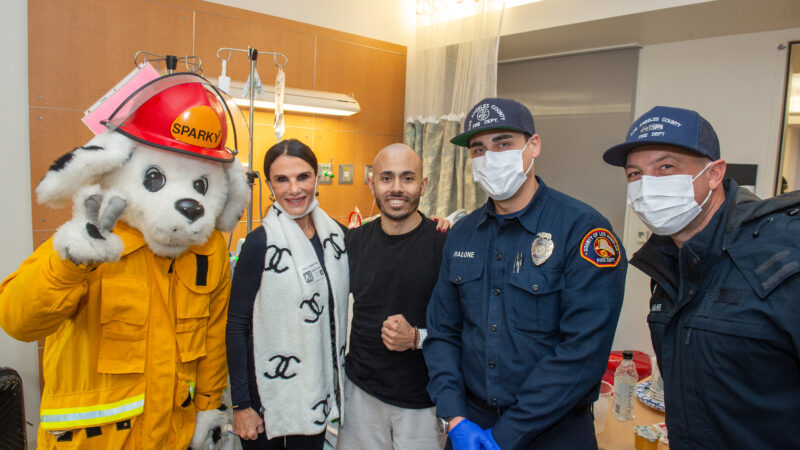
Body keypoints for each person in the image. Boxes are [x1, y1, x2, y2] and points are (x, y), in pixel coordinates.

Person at [424, 98, 627, 450]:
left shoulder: (582, 230)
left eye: (503, 144)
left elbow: (581, 353)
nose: (490, 157)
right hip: (470, 425)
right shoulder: (462, 234)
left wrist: (506, 435)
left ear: (533, 146)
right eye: (478, 149)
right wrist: (454, 417)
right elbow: (443, 332)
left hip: (554, 430)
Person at [602, 105, 800, 448]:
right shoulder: (669, 264)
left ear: (714, 174)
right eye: (635, 174)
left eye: (666, 167)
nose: (647, 185)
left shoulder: (784, 251)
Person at [226, 139, 349, 449]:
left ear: (316, 177)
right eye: (282, 179)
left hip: (316, 394)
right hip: (267, 403)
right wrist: (242, 405)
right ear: (269, 185)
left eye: (302, 177)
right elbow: (236, 327)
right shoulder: (259, 244)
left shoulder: (337, 238)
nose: (294, 189)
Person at [336, 144, 447, 449]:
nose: (396, 188)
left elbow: (466, 326)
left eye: (407, 178)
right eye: (386, 178)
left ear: (423, 185)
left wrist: (416, 338)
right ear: (371, 183)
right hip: (360, 397)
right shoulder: (353, 243)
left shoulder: (444, 245)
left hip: (422, 402)